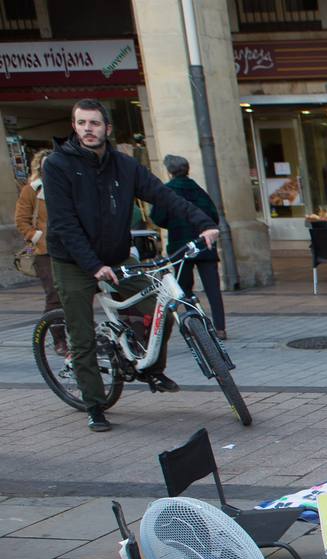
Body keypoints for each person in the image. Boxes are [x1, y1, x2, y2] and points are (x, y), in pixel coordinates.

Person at [44, 98, 219, 433]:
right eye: (81, 123)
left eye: (94, 123)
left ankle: (150, 367)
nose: (88, 129)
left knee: (163, 307)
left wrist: (204, 223)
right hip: (74, 261)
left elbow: (164, 196)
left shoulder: (124, 166)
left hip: (116, 256)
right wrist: (93, 266)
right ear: (74, 126)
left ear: (107, 128)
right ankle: (95, 404)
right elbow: (64, 223)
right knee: (81, 336)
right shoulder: (58, 165)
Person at [151, 155, 227, 338]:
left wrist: (172, 223)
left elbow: (158, 217)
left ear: (169, 171)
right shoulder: (199, 190)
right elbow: (213, 216)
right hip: (204, 245)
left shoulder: (167, 191)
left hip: (180, 245)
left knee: (184, 288)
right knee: (213, 289)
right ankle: (220, 327)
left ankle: (195, 323)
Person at [15, 148, 63, 354]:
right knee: (54, 295)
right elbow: (21, 220)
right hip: (44, 252)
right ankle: (60, 340)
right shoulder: (31, 190)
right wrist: (37, 237)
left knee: (75, 294)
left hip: (70, 249)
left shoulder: (66, 186)